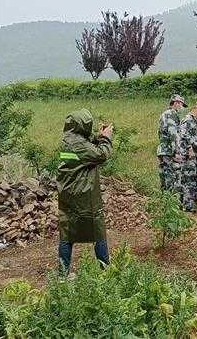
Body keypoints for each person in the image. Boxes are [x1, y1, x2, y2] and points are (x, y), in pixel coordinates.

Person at [57, 109, 113, 276]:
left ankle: (62, 274)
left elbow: (85, 148)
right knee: (97, 230)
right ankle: (105, 271)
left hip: (67, 193)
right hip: (83, 194)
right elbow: (102, 155)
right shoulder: (79, 144)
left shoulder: (68, 140)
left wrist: (97, 137)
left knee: (67, 233)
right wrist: (106, 138)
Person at [177, 102, 197, 212]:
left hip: (193, 156)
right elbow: (184, 136)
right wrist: (190, 149)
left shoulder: (193, 121)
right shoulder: (188, 120)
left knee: (191, 180)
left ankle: (189, 205)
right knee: (188, 181)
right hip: (189, 156)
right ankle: (188, 207)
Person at [156, 94, 187, 195]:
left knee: (164, 177)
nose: (182, 108)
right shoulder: (172, 114)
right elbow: (173, 134)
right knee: (172, 178)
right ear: (176, 103)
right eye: (182, 105)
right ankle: (170, 201)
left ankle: (164, 201)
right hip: (169, 151)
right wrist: (177, 152)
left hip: (163, 150)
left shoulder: (164, 114)